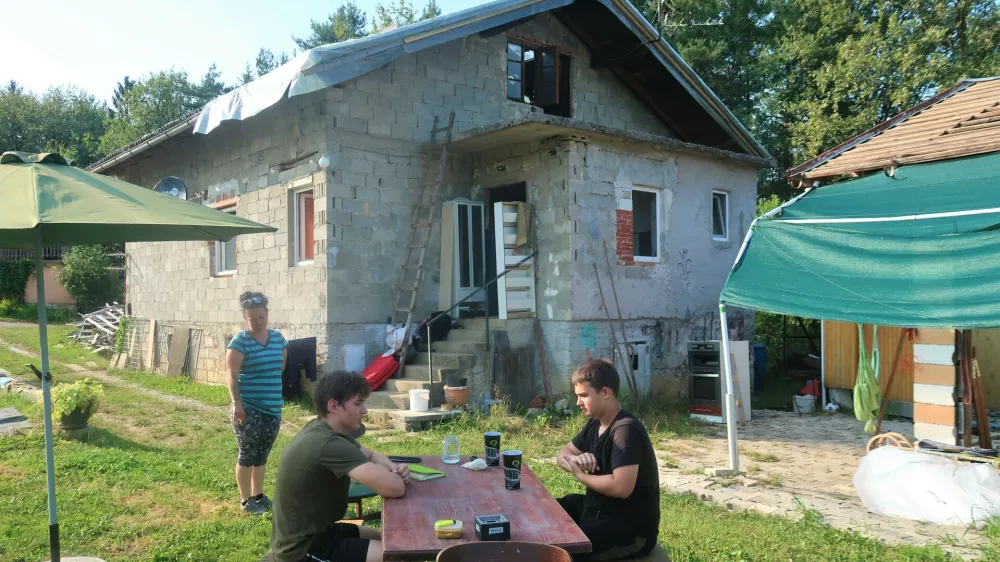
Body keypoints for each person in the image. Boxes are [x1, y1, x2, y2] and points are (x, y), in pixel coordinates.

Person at [268, 371, 410, 562]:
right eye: (358, 404)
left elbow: (371, 454)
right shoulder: (328, 443)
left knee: (392, 542)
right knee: (396, 555)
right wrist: (394, 476)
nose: (365, 410)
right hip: (301, 550)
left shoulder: (322, 429)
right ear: (333, 405)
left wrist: (394, 468)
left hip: (321, 531)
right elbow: (394, 487)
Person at [556, 359, 660, 561]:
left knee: (566, 554)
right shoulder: (595, 424)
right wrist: (576, 459)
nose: (578, 402)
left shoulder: (625, 430)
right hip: (596, 510)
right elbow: (563, 454)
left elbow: (621, 487)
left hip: (628, 530)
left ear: (605, 392)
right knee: (549, 511)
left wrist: (579, 475)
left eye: (583, 395)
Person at [226, 291, 288, 515]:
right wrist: (237, 403)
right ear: (246, 318)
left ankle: (258, 495)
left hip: (273, 407)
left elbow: (280, 366)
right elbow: (231, 374)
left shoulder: (279, 339)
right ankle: (245, 501)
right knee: (247, 452)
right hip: (249, 406)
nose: (258, 322)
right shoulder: (240, 341)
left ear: (267, 314)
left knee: (262, 453)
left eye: (262, 317)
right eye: (253, 319)